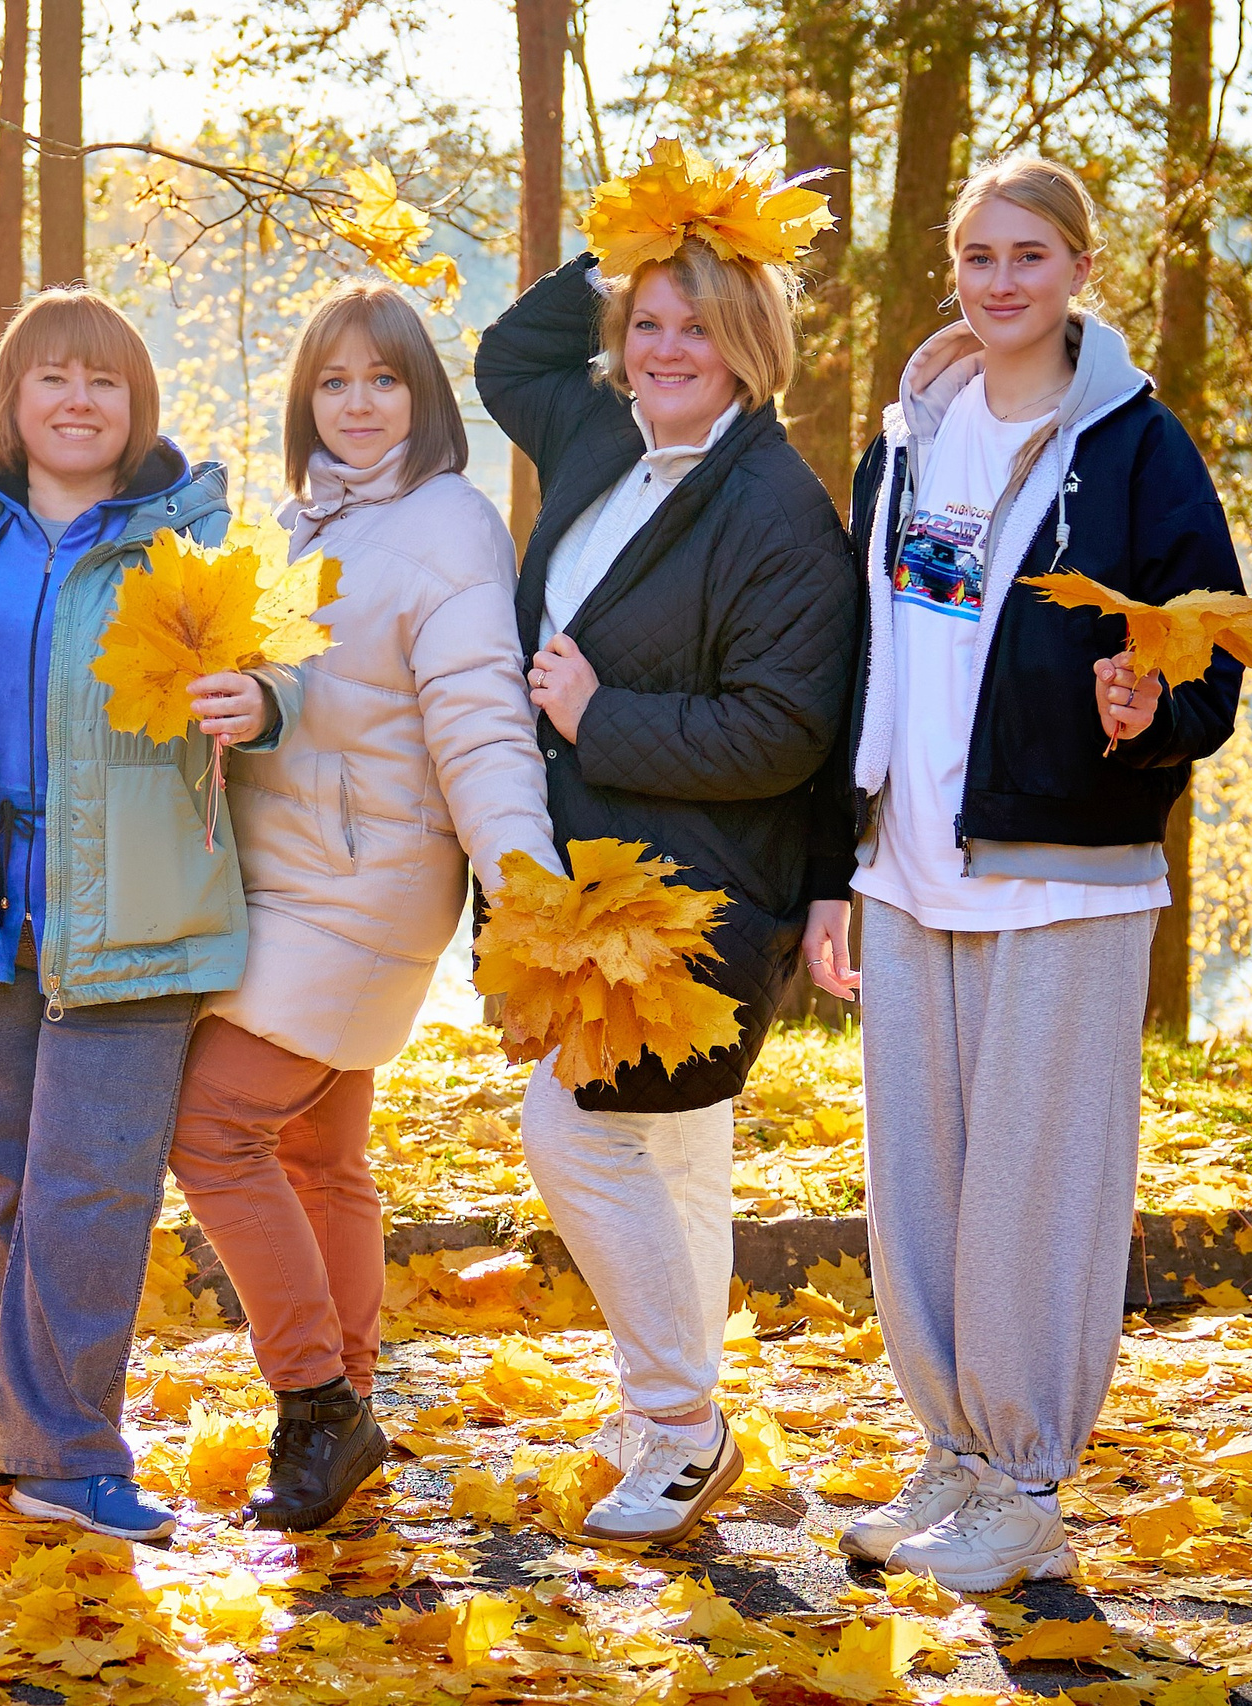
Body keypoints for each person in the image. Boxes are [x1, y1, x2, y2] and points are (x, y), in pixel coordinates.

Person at [805, 156, 1246, 1591]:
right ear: (955, 268)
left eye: (1030, 256)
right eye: (979, 255)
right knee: (922, 1185)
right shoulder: (910, 439)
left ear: (1079, 271)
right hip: (914, 863)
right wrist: (839, 856)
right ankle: (954, 1454)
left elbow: (1209, 644)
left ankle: (1026, 1473)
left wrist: (1151, 709)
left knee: (1031, 1190)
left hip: (1067, 873)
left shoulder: (1134, 445)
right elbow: (867, 655)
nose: (1001, 281)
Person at [476, 163, 860, 1546]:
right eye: (647, 322)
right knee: (679, 1159)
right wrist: (628, 249)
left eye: (696, 323)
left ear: (749, 340)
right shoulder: (604, 441)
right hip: (586, 879)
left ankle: (685, 1425)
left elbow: (783, 728)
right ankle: (672, 1405)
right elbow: (507, 351)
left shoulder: (776, 509)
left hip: (695, 899)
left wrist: (599, 714)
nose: (666, 348)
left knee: (571, 1133)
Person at [0, 286, 284, 1543]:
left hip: (135, 901)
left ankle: (70, 1446)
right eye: (50, 376)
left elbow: (282, 664)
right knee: (9, 1177)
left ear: (136, 406)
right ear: (10, 402)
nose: (76, 399)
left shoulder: (189, 533)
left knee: (90, 1182)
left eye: (103, 380)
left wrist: (264, 700)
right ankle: (33, 1434)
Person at [168, 283, 557, 1531]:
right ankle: (353, 1405)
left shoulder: (446, 524)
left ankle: (315, 1400)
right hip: (287, 874)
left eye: (382, 380)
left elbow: (481, 718)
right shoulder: (299, 521)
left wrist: (526, 888)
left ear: (423, 396)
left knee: (210, 1125)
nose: (357, 404)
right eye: (333, 383)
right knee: (319, 1155)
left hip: (367, 882)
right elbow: (296, 689)